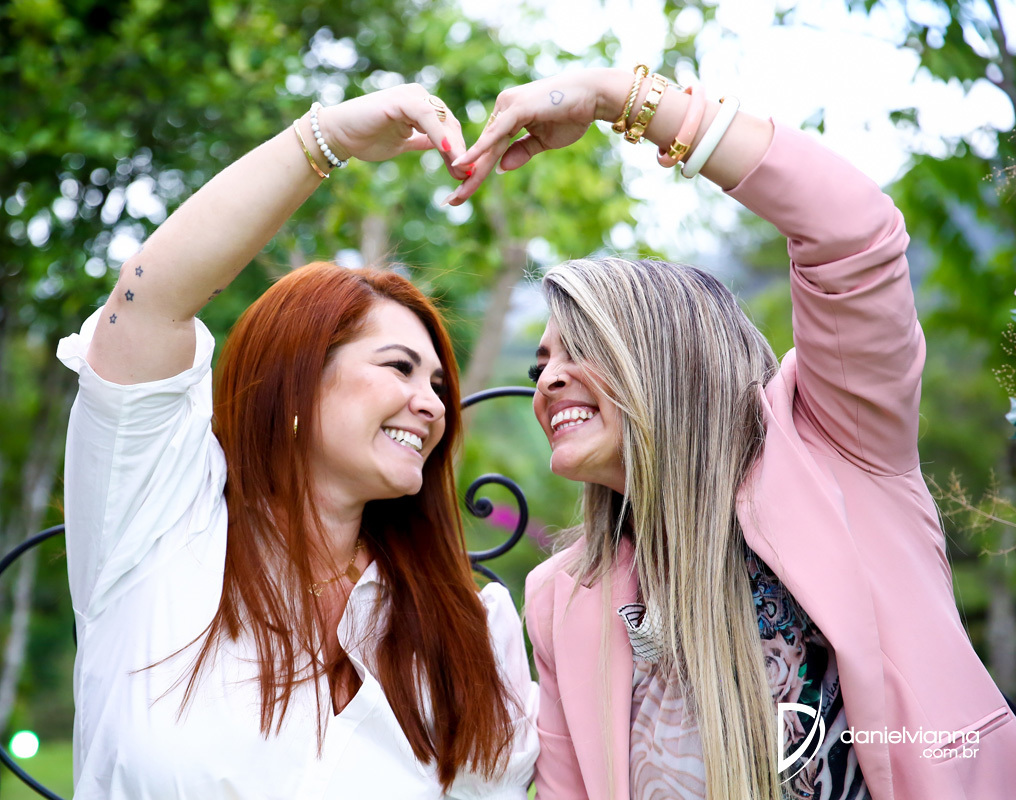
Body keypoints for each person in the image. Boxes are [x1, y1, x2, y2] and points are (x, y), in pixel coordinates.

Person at [447, 66, 1016, 799]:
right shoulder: (562, 598)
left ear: (670, 358)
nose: (548, 380)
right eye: (540, 364)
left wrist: (617, 98)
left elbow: (853, 232)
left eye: (581, 349)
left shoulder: (838, 449)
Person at [56, 84, 538, 799]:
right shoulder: (159, 524)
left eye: (438, 384)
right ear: (298, 384)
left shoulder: (472, 629)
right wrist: (327, 138)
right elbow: (149, 301)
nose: (431, 404)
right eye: (399, 368)